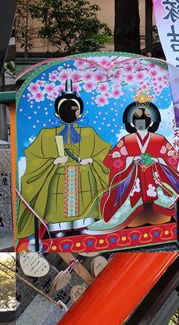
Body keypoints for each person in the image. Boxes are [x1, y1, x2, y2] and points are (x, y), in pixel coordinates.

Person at [84, 97, 179, 234]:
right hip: (132, 182)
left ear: (151, 121)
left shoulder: (159, 139)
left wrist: (157, 160)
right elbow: (111, 160)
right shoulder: (127, 141)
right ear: (132, 123)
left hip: (157, 179)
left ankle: (165, 198)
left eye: (146, 116)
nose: (142, 119)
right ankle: (121, 211)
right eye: (138, 117)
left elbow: (172, 157)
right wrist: (131, 159)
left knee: (162, 180)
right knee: (131, 182)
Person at [18, 84, 113, 241]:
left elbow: (104, 154)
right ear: (57, 113)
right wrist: (54, 161)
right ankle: (59, 228)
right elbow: (34, 157)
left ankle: (83, 225)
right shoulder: (46, 135)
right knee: (58, 214)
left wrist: (91, 160)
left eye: (73, 109)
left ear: (80, 113)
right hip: (58, 179)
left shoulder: (88, 133)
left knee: (84, 215)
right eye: (65, 109)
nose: (70, 112)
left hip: (84, 179)